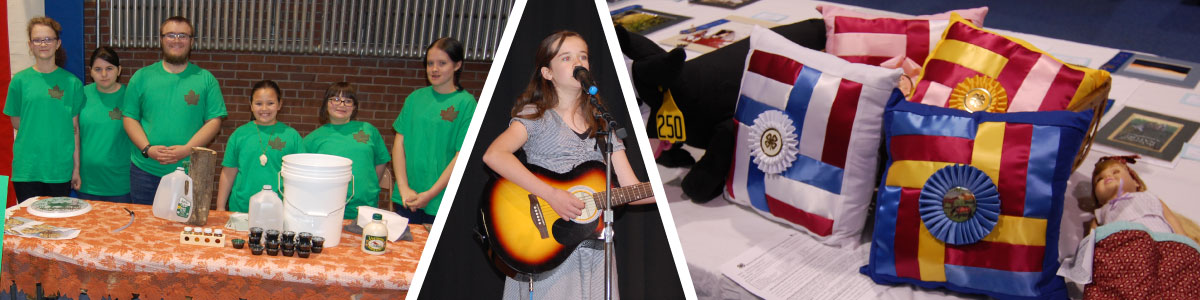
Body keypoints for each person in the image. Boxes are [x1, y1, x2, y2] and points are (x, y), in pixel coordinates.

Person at [481, 30, 654, 299]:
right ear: (547, 73)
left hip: (595, 246)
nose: (578, 63)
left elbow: (631, 189)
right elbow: (494, 155)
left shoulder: (604, 126)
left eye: (583, 56)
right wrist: (552, 194)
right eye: (566, 57)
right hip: (546, 242)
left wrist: (666, 193)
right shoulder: (535, 116)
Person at [122, 16, 226, 205]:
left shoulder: (205, 79)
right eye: (170, 35)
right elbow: (129, 117)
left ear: (191, 41)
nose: (176, 40)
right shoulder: (142, 77)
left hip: (189, 171)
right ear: (161, 39)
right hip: (145, 170)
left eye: (183, 35)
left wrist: (186, 150)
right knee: (143, 229)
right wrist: (147, 149)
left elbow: (214, 121)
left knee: (183, 228)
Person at [391, 37, 476, 224]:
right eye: (430, 63)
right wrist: (404, 187)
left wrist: (430, 194)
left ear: (457, 65)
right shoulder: (414, 98)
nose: (434, 69)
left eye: (442, 63)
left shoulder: (466, 103)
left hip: (440, 199)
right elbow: (399, 144)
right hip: (408, 197)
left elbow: (461, 156)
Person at [4, 17, 84, 201]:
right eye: (37, 39)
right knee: (28, 226)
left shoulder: (72, 83)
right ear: (30, 45)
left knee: (57, 227)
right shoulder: (19, 81)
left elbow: (75, 129)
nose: (43, 44)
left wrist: (76, 168)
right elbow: (16, 122)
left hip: (59, 169)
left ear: (58, 43)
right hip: (27, 169)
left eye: (48, 39)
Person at [302, 82, 390, 220]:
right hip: (327, 210)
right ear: (326, 103)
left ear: (354, 107)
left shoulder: (368, 130)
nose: (341, 104)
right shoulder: (312, 139)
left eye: (348, 101)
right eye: (336, 99)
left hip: (365, 208)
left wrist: (368, 187)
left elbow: (380, 162)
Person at [216, 80, 303, 212]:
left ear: (280, 104)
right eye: (258, 103)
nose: (264, 109)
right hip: (242, 209)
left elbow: (301, 178)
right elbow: (228, 173)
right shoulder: (239, 135)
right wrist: (220, 207)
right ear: (251, 105)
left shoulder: (292, 136)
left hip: (280, 210)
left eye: (270, 103)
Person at [1089, 155, 1200, 242]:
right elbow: (1091, 242)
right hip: (1126, 253)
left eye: (1115, 171)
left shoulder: (1148, 197)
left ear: (1135, 182)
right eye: (1099, 179)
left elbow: (1171, 219)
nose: (1108, 177)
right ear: (1098, 199)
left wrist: (1185, 243)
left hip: (1163, 242)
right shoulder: (1100, 213)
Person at [77, 46, 132, 202]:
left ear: (119, 70)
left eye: (109, 68)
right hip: (86, 182)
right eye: (98, 69)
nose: (103, 74)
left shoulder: (130, 96)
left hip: (121, 183)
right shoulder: (81, 94)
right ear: (91, 71)